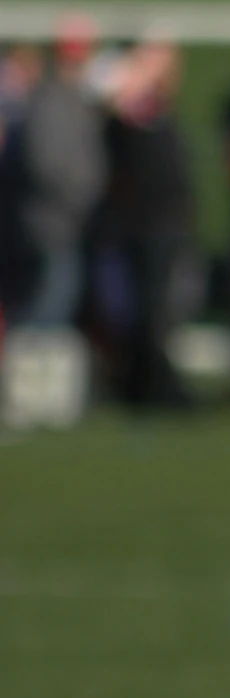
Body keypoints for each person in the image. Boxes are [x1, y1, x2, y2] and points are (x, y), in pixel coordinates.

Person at [1, 23, 107, 429]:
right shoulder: (49, 102)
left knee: (55, 310)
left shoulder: (70, 99)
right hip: (49, 223)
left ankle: (40, 397)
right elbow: (48, 165)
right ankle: (20, 395)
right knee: (41, 310)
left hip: (65, 222)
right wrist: (78, 195)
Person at [98, 37, 200, 409]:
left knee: (161, 307)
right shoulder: (126, 104)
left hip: (165, 223)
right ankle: (148, 385)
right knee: (147, 309)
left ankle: (153, 380)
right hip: (144, 224)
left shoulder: (158, 107)